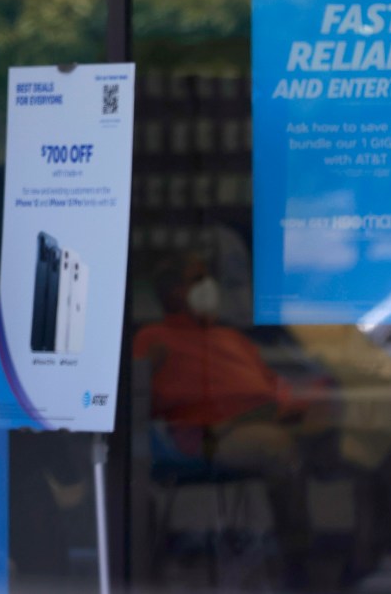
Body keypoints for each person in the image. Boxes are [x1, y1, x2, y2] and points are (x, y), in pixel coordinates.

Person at [133, 252, 330, 588]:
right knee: (278, 446)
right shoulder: (154, 338)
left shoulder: (231, 337)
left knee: (336, 426)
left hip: (269, 417)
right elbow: (139, 396)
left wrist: (308, 398)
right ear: (173, 291)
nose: (209, 287)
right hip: (209, 436)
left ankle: (358, 547)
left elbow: (273, 386)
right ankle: (298, 560)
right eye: (198, 280)